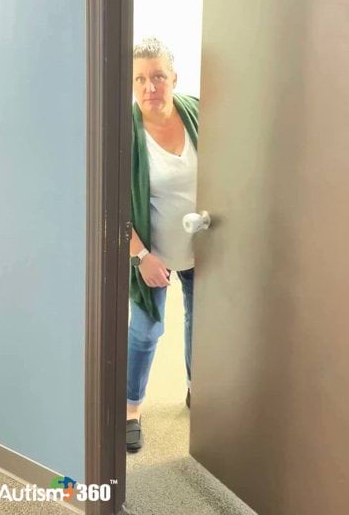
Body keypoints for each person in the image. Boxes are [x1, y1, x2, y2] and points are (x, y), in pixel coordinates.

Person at [127, 37, 199, 453]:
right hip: (150, 252)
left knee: (203, 324)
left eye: (158, 76)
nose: (150, 87)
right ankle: (131, 408)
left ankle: (196, 388)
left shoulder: (197, 113)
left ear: (174, 78)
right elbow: (108, 204)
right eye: (140, 79)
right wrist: (140, 256)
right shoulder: (123, 131)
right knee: (146, 329)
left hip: (204, 246)